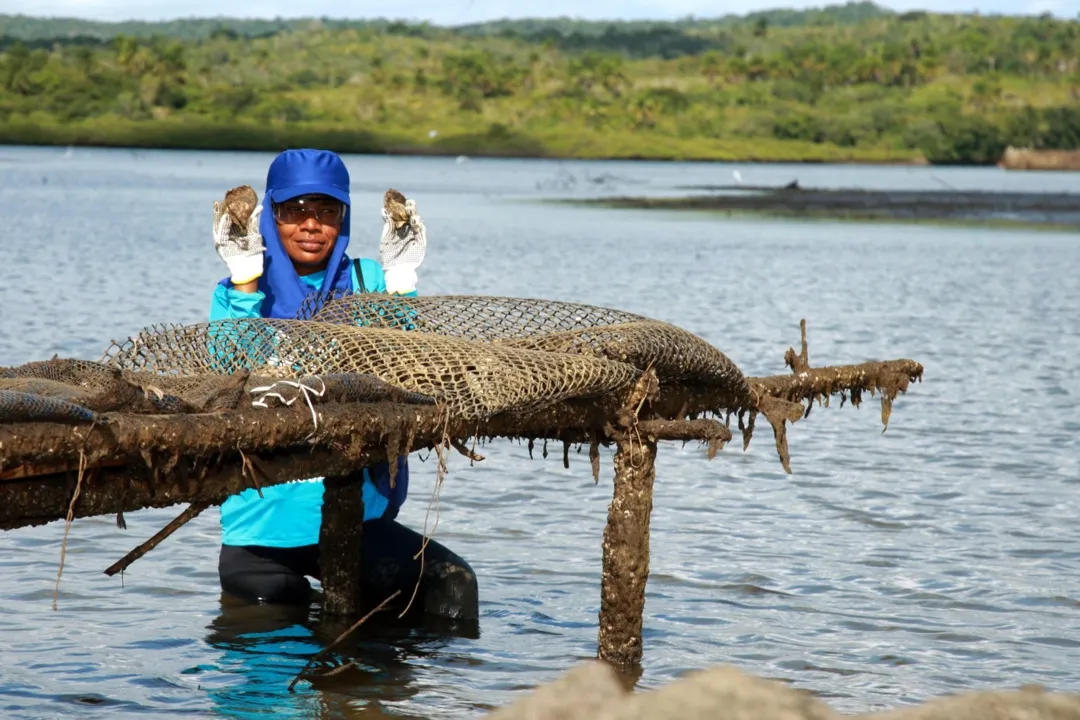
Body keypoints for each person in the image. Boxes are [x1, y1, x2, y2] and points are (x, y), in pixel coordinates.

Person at [207, 148, 478, 625]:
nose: (311, 225)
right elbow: (227, 369)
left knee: (452, 586)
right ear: (270, 214)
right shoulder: (240, 286)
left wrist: (401, 284)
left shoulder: (366, 280)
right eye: (294, 211)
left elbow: (405, 367)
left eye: (326, 211)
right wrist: (246, 283)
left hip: (357, 519)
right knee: (274, 650)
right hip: (263, 533)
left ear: (343, 217)